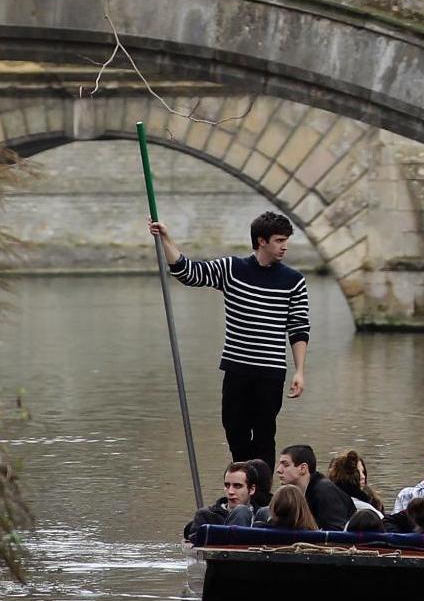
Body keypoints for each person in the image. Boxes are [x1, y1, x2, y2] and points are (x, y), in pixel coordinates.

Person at [149, 211, 311, 470]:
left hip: (270, 373)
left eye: (286, 240)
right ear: (261, 241)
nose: (285, 246)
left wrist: (300, 371)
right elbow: (188, 272)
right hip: (237, 370)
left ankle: (261, 498)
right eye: (280, 240)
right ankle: (244, 487)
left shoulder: (293, 281)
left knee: (264, 437)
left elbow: (299, 327)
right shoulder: (232, 269)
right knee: (235, 432)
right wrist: (166, 238)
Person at [275, 443, 357, 531]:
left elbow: (336, 532)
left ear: (303, 468)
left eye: (285, 465)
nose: (278, 470)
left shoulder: (325, 492)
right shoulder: (299, 493)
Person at [183, 459, 270, 541]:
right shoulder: (206, 515)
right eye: (227, 485)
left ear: (251, 489)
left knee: (266, 511)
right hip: (226, 555)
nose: (230, 492)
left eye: (237, 486)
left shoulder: (262, 514)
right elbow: (193, 542)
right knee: (241, 511)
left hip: (261, 553)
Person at [328, 449, 379, 517]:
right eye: (358, 472)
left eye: (363, 472)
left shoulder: (371, 498)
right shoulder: (359, 506)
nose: (363, 476)